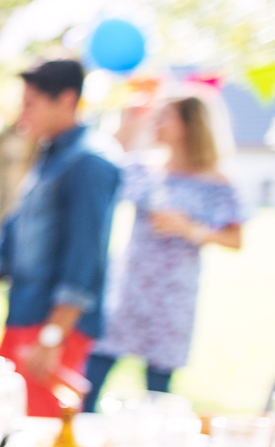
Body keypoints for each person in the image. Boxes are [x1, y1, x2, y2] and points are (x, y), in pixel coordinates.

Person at [0, 59, 122, 417]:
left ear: (67, 100)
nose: (23, 114)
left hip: (53, 327)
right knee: (4, 418)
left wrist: (52, 336)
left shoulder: (91, 162)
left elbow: (86, 258)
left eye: (31, 104)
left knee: (38, 433)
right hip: (24, 311)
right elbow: (17, 225)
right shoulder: (49, 153)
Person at [82, 95, 247, 412]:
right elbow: (103, 168)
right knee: (94, 372)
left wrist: (190, 228)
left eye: (164, 117)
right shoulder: (144, 167)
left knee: (157, 389)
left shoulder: (218, 179)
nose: (156, 124)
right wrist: (127, 124)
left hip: (173, 293)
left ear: (188, 124)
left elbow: (235, 238)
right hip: (129, 285)